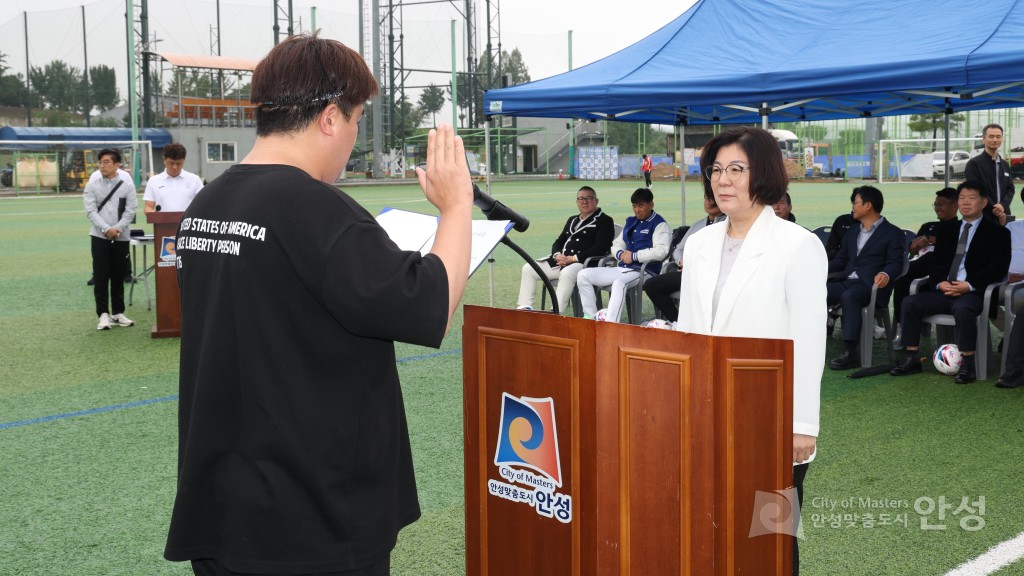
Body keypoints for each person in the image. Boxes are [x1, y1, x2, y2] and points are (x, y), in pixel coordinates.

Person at [163, 34, 474, 576]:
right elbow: (430, 304)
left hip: (224, 513)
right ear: (331, 117)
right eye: (355, 121)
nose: (353, 138)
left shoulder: (207, 204)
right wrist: (457, 207)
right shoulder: (316, 211)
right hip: (312, 523)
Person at [674, 126, 825, 576]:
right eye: (716, 170)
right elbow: (688, 331)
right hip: (704, 412)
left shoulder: (798, 245)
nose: (723, 180)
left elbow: (808, 338)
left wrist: (801, 425)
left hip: (770, 421)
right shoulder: (699, 243)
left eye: (736, 169)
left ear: (763, 175)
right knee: (712, 527)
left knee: (770, 536)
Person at [891, 181, 1011, 384]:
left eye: (971, 198)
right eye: (962, 198)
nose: (965, 203)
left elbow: (997, 270)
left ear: (983, 202)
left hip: (973, 292)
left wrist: (969, 285)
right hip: (943, 290)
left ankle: (968, 364)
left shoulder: (998, 233)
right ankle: (912, 358)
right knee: (910, 302)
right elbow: (936, 263)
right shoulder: (947, 230)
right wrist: (939, 283)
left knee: (964, 309)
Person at [825, 185, 905, 370]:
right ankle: (805, 342)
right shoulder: (852, 231)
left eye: (856, 202)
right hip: (846, 282)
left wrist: (885, 274)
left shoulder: (893, 233)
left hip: (871, 287)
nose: (853, 206)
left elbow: (895, 262)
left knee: (850, 297)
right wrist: (817, 270)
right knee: (814, 291)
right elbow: (840, 260)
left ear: (868, 205)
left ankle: (851, 352)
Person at [576, 187, 670, 323]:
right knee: (583, 275)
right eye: (634, 206)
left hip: (645, 271)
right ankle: (590, 319)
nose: (637, 210)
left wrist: (634, 256)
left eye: (640, 206)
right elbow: (616, 244)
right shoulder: (631, 221)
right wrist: (620, 254)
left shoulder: (660, 224)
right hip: (623, 268)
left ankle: (610, 324)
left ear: (651, 205)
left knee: (618, 283)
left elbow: (661, 251)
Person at [515, 185, 614, 314]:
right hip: (562, 261)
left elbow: (601, 248)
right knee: (528, 268)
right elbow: (559, 241)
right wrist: (557, 255)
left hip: (584, 264)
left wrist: (572, 259)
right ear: (577, 201)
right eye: (581, 199)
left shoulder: (605, 220)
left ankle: (555, 312)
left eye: (589, 198)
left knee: (567, 273)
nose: (585, 201)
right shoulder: (572, 219)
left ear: (596, 201)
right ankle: (525, 307)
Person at [891, 187, 959, 348]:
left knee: (928, 259)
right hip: (919, 268)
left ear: (955, 206)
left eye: (941, 204)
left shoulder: (958, 228)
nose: (937, 208)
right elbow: (912, 251)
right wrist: (914, 246)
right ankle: (901, 330)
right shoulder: (928, 225)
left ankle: (899, 269)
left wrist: (938, 242)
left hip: (940, 270)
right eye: (935, 205)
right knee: (902, 281)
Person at [642, 195, 725, 322]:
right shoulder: (697, 225)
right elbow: (678, 249)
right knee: (651, 285)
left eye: (714, 198)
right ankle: (678, 322)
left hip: (712, 276)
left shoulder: (727, 224)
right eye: (707, 198)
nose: (710, 202)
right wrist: (680, 260)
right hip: (689, 273)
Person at [83, 148, 137, 330]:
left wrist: (118, 228)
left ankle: (118, 312)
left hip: (121, 237)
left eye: (106, 162)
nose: (102, 165)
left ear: (117, 165)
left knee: (118, 274)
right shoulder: (92, 184)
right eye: (100, 162)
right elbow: (90, 211)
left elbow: (131, 211)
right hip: (99, 236)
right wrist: (106, 229)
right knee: (100, 275)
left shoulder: (127, 185)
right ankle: (103, 314)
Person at [86, 164, 134, 286]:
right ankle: (97, 275)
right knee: (99, 252)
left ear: (116, 163)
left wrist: (120, 226)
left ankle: (126, 273)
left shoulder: (125, 176)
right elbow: (92, 204)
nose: (104, 165)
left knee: (122, 250)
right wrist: (104, 227)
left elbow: (130, 201)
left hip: (119, 220)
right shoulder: (95, 176)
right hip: (102, 221)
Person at [963, 123, 1015, 221]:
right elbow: (976, 190)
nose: (995, 140)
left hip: (1004, 215)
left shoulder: (1004, 164)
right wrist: (995, 208)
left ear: (1002, 139)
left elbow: (1010, 189)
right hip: (983, 216)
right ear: (983, 139)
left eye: (998, 136)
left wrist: (1003, 206)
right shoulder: (974, 164)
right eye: (991, 136)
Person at [143, 143, 204, 213]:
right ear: (164, 160)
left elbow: (203, 204)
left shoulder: (195, 180)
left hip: (188, 223)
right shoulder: (154, 181)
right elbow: (148, 207)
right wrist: (153, 214)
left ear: (184, 161)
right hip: (162, 223)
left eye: (179, 163)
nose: (175, 167)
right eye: (171, 163)